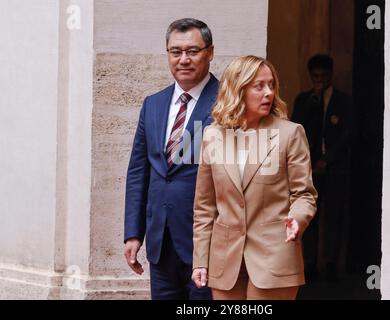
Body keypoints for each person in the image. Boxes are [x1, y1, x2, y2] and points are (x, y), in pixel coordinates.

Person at [191, 55, 317, 300]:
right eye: (259, 86)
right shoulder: (212, 135)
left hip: (275, 255)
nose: (268, 92)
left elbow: (304, 195)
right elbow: (204, 207)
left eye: (271, 85)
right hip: (225, 260)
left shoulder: (290, 133)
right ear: (238, 89)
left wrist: (296, 218)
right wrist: (200, 260)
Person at [123, 18, 218, 300]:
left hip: (207, 245)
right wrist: (133, 233)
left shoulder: (228, 103)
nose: (184, 59)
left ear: (210, 52)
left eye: (193, 51)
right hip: (160, 242)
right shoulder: (153, 104)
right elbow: (139, 171)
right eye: (176, 52)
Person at [290, 54, 353, 281]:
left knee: (334, 215)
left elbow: (348, 134)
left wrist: (328, 159)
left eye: (323, 76)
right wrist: (312, 101)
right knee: (309, 216)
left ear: (330, 74)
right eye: (315, 76)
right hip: (309, 168)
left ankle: (331, 263)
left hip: (335, 167)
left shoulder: (344, 101)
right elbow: (296, 128)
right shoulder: (304, 100)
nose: (320, 80)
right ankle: (309, 264)